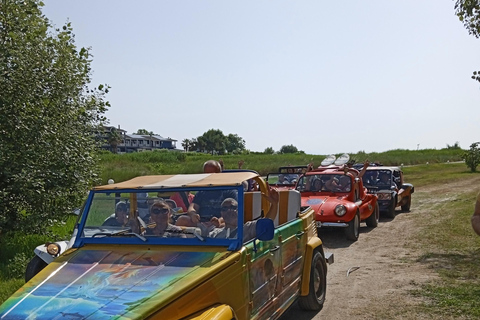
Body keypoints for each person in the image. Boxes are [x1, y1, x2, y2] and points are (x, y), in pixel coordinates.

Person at [176, 160, 236, 228]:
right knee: (182, 220)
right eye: (206, 174)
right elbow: (193, 207)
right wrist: (193, 214)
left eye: (212, 174)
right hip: (201, 223)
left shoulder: (229, 191)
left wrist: (220, 220)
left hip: (219, 224)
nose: (209, 176)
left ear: (219, 174)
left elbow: (233, 212)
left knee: (229, 225)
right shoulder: (202, 191)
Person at [209, 187, 279, 242]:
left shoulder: (248, 228)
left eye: (233, 207)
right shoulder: (215, 234)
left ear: (239, 211)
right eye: (225, 208)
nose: (229, 211)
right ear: (221, 213)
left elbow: (266, 222)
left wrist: (274, 204)